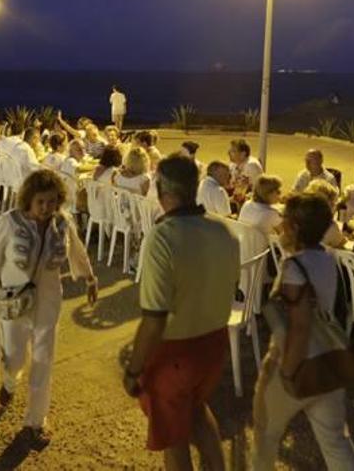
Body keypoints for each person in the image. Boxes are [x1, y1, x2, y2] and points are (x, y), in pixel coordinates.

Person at [122, 153, 240, 471]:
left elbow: (154, 319)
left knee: (173, 437)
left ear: (164, 191)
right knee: (198, 412)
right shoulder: (224, 232)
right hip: (213, 345)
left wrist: (134, 369)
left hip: (175, 352)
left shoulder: (163, 236)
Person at [0, 170, 97, 446]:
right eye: (41, 201)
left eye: (52, 201)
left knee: (43, 360)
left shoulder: (63, 222)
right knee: (14, 356)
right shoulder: (9, 222)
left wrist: (89, 278)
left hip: (49, 301)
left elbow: (77, 250)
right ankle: (9, 382)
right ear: (29, 198)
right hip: (13, 302)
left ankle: (35, 422)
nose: (46, 208)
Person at [252, 192, 354, 470]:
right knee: (336, 442)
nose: (280, 226)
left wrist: (286, 373)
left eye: (284, 221)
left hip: (294, 361)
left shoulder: (293, 268)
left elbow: (299, 327)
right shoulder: (328, 258)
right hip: (327, 362)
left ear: (296, 228)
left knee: (266, 438)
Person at [305, 179, 347, 249]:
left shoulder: (298, 221)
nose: (335, 207)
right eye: (334, 204)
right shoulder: (330, 227)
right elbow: (341, 249)